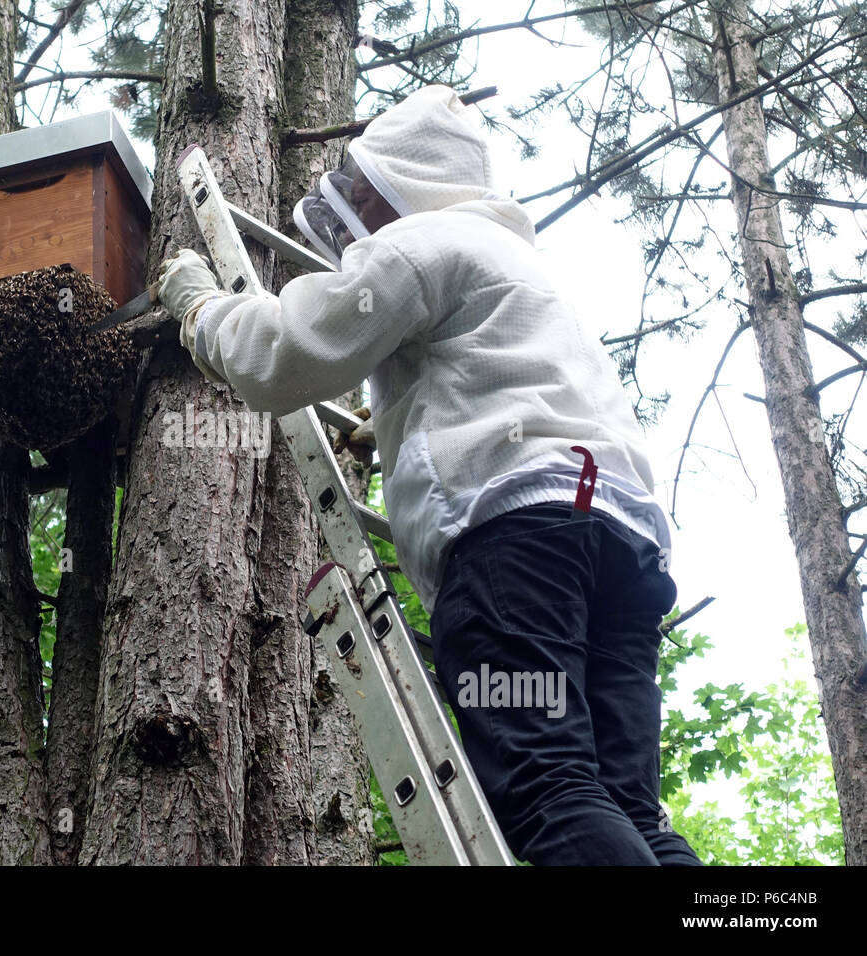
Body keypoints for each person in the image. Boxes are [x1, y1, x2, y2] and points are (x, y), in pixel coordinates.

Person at [156, 83, 702, 866]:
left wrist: (202, 309)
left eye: (364, 191)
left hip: (519, 543)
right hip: (624, 546)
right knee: (629, 810)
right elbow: (491, 376)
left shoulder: (422, 243)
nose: (353, 210)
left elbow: (284, 356)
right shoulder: (521, 267)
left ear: (401, 190)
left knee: (546, 786)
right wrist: (399, 419)